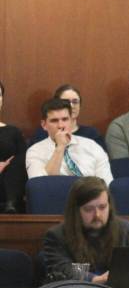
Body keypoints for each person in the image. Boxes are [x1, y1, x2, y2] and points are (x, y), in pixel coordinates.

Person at [41, 175, 129, 283]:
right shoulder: (57, 235)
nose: (97, 215)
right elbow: (63, 269)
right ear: (76, 211)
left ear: (109, 206)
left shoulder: (126, 229)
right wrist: (94, 279)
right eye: (89, 209)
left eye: (102, 207)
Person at [25, 98, 112, 183]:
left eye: (65, 119)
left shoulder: (92, 146)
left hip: (91, 196)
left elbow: (106, 184)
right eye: (54, 121)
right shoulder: (34, 151)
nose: (61, 125)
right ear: (44, 125)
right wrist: (60, 147)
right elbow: (42, 186)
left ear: (72, 121)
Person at [31, 84, 106, 151]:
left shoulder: (91, 134)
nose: (71, 106)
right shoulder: (42, 134)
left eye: (75, 102)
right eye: (66, 102)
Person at [0, 80, 26, 213]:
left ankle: (11, 204)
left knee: (18, 162)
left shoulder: (13, 131)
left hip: (8, 182)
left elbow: (22, 158)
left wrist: (6, 165)